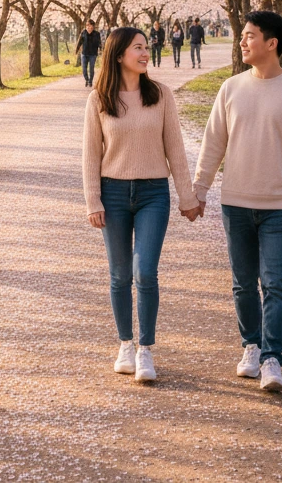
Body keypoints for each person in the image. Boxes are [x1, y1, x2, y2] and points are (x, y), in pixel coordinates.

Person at [192, 11, 282, 394]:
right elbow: (213, 144)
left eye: (249, 36)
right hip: (236, 203)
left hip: (281, 206)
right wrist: (199, 191)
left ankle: (272, 359)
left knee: (275, 283)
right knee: (243, 284)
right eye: (242, 36)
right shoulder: (231, 89)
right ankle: (251, 345)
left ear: (272, 43)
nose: (243, 42)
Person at [83, 27, 201, 384]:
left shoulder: (161, 95)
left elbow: (175, 151)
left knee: (145, 272)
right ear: (119, 55)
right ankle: (125, 344)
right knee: (120, 275)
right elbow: (91, 154)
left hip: (153, 193)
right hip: (113, 193)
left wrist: (188, 197)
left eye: (146, 48)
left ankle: (145, 349)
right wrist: (93, 200)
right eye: (138, 48)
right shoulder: (99, 99)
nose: (145, 53)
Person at [76, 19, 103, 87]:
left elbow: (99, 43)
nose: (88, 27)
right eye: (87, 25)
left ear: (93, 26)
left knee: (91, 68)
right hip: (84, 53)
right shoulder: (83, 33)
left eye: (89, 25)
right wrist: (76, 50)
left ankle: (90, 81)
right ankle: (87, 80)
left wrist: (101, 50)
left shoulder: (97, 34)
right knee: (84, 69)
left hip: (93, 54)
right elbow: (79, 42)